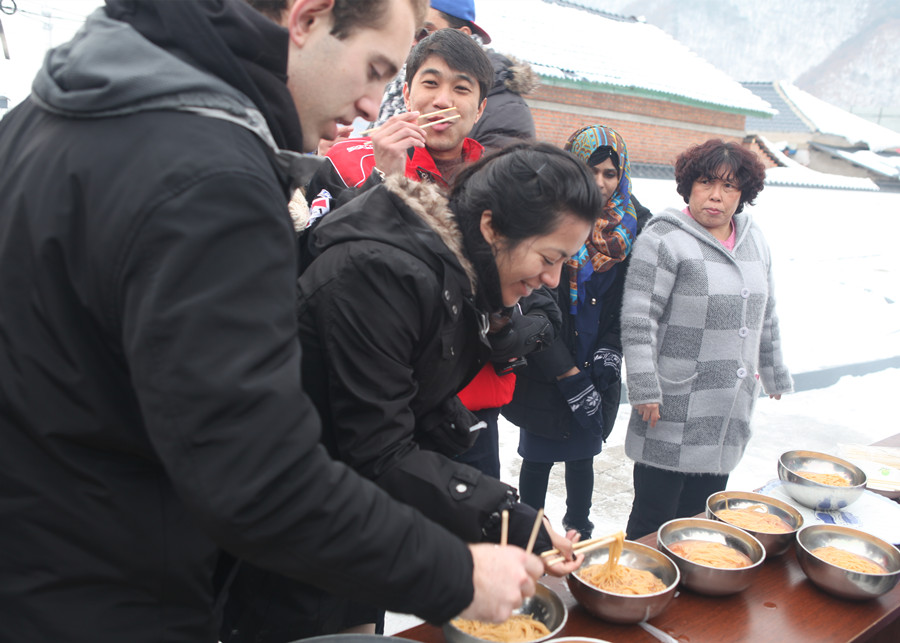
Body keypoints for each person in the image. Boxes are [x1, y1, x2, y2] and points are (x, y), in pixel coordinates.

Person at [0, 2, 546, 642]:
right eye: (374, 69)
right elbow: (256, 474)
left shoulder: (54, 111)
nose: (373, 105)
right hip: (108, 593)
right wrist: (457, 573)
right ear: (308, 19)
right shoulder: (213, 177)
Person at [621, 139, 794, 541]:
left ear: (743, 194)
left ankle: (692, 595)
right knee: (654, 520)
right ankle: (640, 585)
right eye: (706, 182)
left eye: (730, 187)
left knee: (701, 518)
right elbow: (638, 316)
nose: (716, 196)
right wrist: (644, 386)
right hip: (670, 405)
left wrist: (774, 373)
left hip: (726, 407)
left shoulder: (755, 240)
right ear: (688, 186)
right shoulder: (664, 237)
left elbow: (765, 312)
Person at [503, 125, 650, 540]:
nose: (601, 182)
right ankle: (530, 536)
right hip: (547, 361)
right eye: (591, 170)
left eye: (610, 172)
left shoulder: (632, 229)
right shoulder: (544, 218)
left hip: (595, 360)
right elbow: (529, 300)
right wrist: (564, 371)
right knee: (536, 458)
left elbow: (630, 300)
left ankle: (578, 529)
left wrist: (611, 350)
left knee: (583, 457)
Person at [372, 0, 538, 152]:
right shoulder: (393, 87)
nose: (413, 42)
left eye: (423, 32)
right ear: (407, 95)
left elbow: (495, 179)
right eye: (408, 31)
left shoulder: (507, 110)